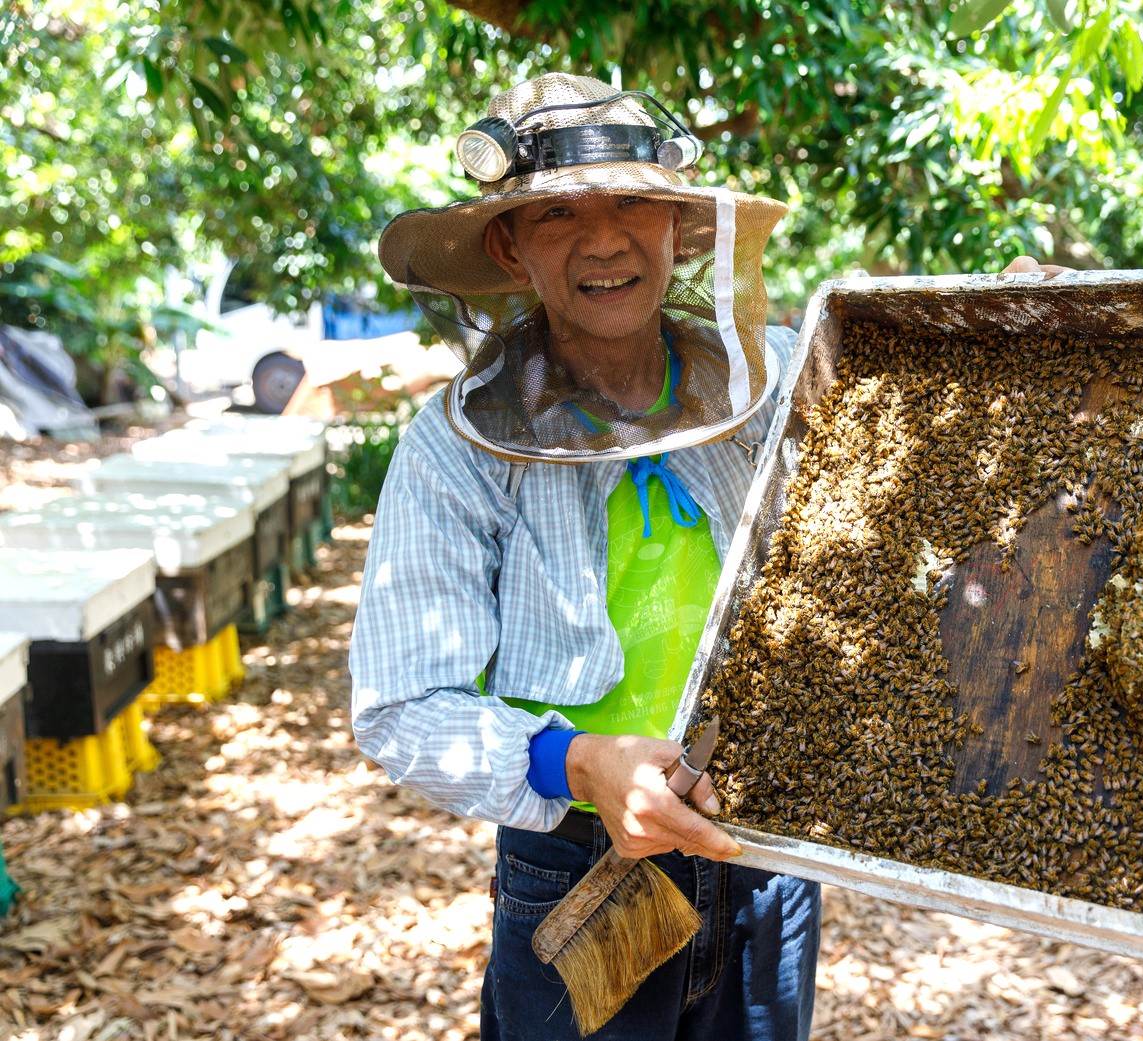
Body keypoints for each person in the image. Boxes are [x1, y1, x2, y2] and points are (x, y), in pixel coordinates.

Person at [350, 72, 1063, 1041]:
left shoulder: (781, 377)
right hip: (577, 863)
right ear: (510, 246)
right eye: (556, 212)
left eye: (633, 202)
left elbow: (915, 491)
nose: (605, 240)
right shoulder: (457, 447)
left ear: (681, 225)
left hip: (763, 845)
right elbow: (401, 704)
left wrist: (1010, 351)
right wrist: (580, 762)